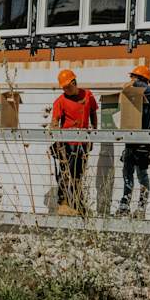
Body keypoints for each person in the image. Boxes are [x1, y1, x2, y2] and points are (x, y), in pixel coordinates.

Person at [49, 68, 98, 216]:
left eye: (67, 87)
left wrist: (94, 131)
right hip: (67, 144)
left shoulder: (88, 96)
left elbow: (93, 113)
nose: (65, 90)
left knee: (77, 175)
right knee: (65, 174)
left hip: (82, 143)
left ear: (74, 82)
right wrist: (56, 137)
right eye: (63, 87)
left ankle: (76, 204)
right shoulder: (60, 101)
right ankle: (63, 204)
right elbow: (55, 121)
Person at [117, 64, 150, 218]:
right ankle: (124, 205)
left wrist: (134, 83)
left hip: (142, 140)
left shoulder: (149, 92)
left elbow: (147, 89)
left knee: (141, 174)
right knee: (127, 172)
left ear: (141, 79)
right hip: (130, 138)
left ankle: (141, 207)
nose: (130, 79)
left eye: (133, 76)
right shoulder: (134, 95)